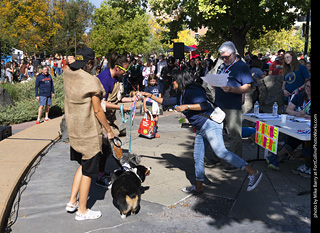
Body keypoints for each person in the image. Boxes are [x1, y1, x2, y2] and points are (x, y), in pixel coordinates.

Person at [142, 70, 262, 193]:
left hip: (210, 124)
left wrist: (186, 106)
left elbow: (203, 105)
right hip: (201, 128)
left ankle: (252, 172)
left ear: (179, 80)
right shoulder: (182, 94)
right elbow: (166, 102)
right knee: (198, 157)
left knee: (220, 151)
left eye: (173, 80)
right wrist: (149, 95)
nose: (172, 83)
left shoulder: (194, 90)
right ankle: (198, 187)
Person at [64, 47, 114, 221]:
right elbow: (98, 110)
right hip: (88, 133)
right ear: (91, 63)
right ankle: (83, 210)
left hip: (74, 131)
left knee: (82, 165)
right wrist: (109, 130)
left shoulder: (67, 74)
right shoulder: (92, 82)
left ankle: (72, 202)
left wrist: (70, 62)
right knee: (88, 172)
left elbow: (69, 65)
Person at [214, 41, 253, 162]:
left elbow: (247, 86)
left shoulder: (241, 66)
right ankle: (217, 157)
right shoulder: (222, 66)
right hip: (219, 103)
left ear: (234, 53)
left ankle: (236, 161)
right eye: (222, 57)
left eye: (226, 57)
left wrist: (232, 89)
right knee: (216, 132)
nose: (224, 59)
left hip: (232, 106)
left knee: (234, 134)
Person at [267, 79, 311, 172]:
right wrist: (297, 113)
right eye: (307, 86)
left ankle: (299, 155)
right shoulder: (300, 96)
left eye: (310, 87)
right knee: (294, 137)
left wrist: (305, 115)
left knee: (302, 138)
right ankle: (277, 156)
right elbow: (288, 109)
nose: (308, 89)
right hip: (300, 125)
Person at [143, 74, 162, 138]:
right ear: (148, 81)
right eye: (151, 81)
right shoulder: (147, 88)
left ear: (156, 81)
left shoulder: (158, 86)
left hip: (156, 104)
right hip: (149, 104)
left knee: (156, 118)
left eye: (153, 81)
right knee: (149, 119)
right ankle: (148, 132)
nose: (152, 83)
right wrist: (144, 107)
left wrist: (160, 100)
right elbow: (144, 98)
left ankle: (154, 131)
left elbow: (159, 93)